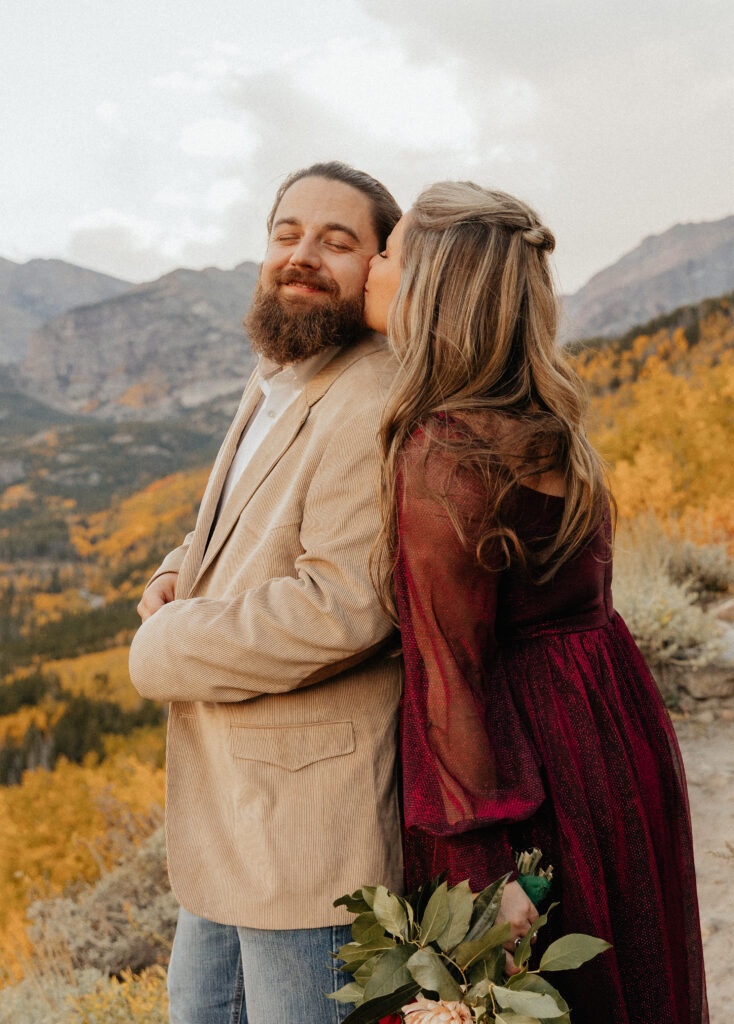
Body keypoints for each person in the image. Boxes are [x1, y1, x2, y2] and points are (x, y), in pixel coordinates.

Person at [363, 182, 708, 1024]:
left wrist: (487, 872)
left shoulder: (444, 450)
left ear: (430, 290)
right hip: (611, 735)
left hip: (527, 765)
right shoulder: (548, 424)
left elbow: (453, 674)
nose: (372, 264)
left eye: (391, 252)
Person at [128, 162, 404, 1024]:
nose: (303, 256)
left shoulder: (374, 396)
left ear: (379, 266)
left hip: (307, 832)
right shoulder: (280, 370)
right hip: (228, 813)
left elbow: (346, 606)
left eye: (337, 240)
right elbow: (240, 511)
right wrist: (179, 566)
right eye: (287, 234)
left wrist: (165, 647)